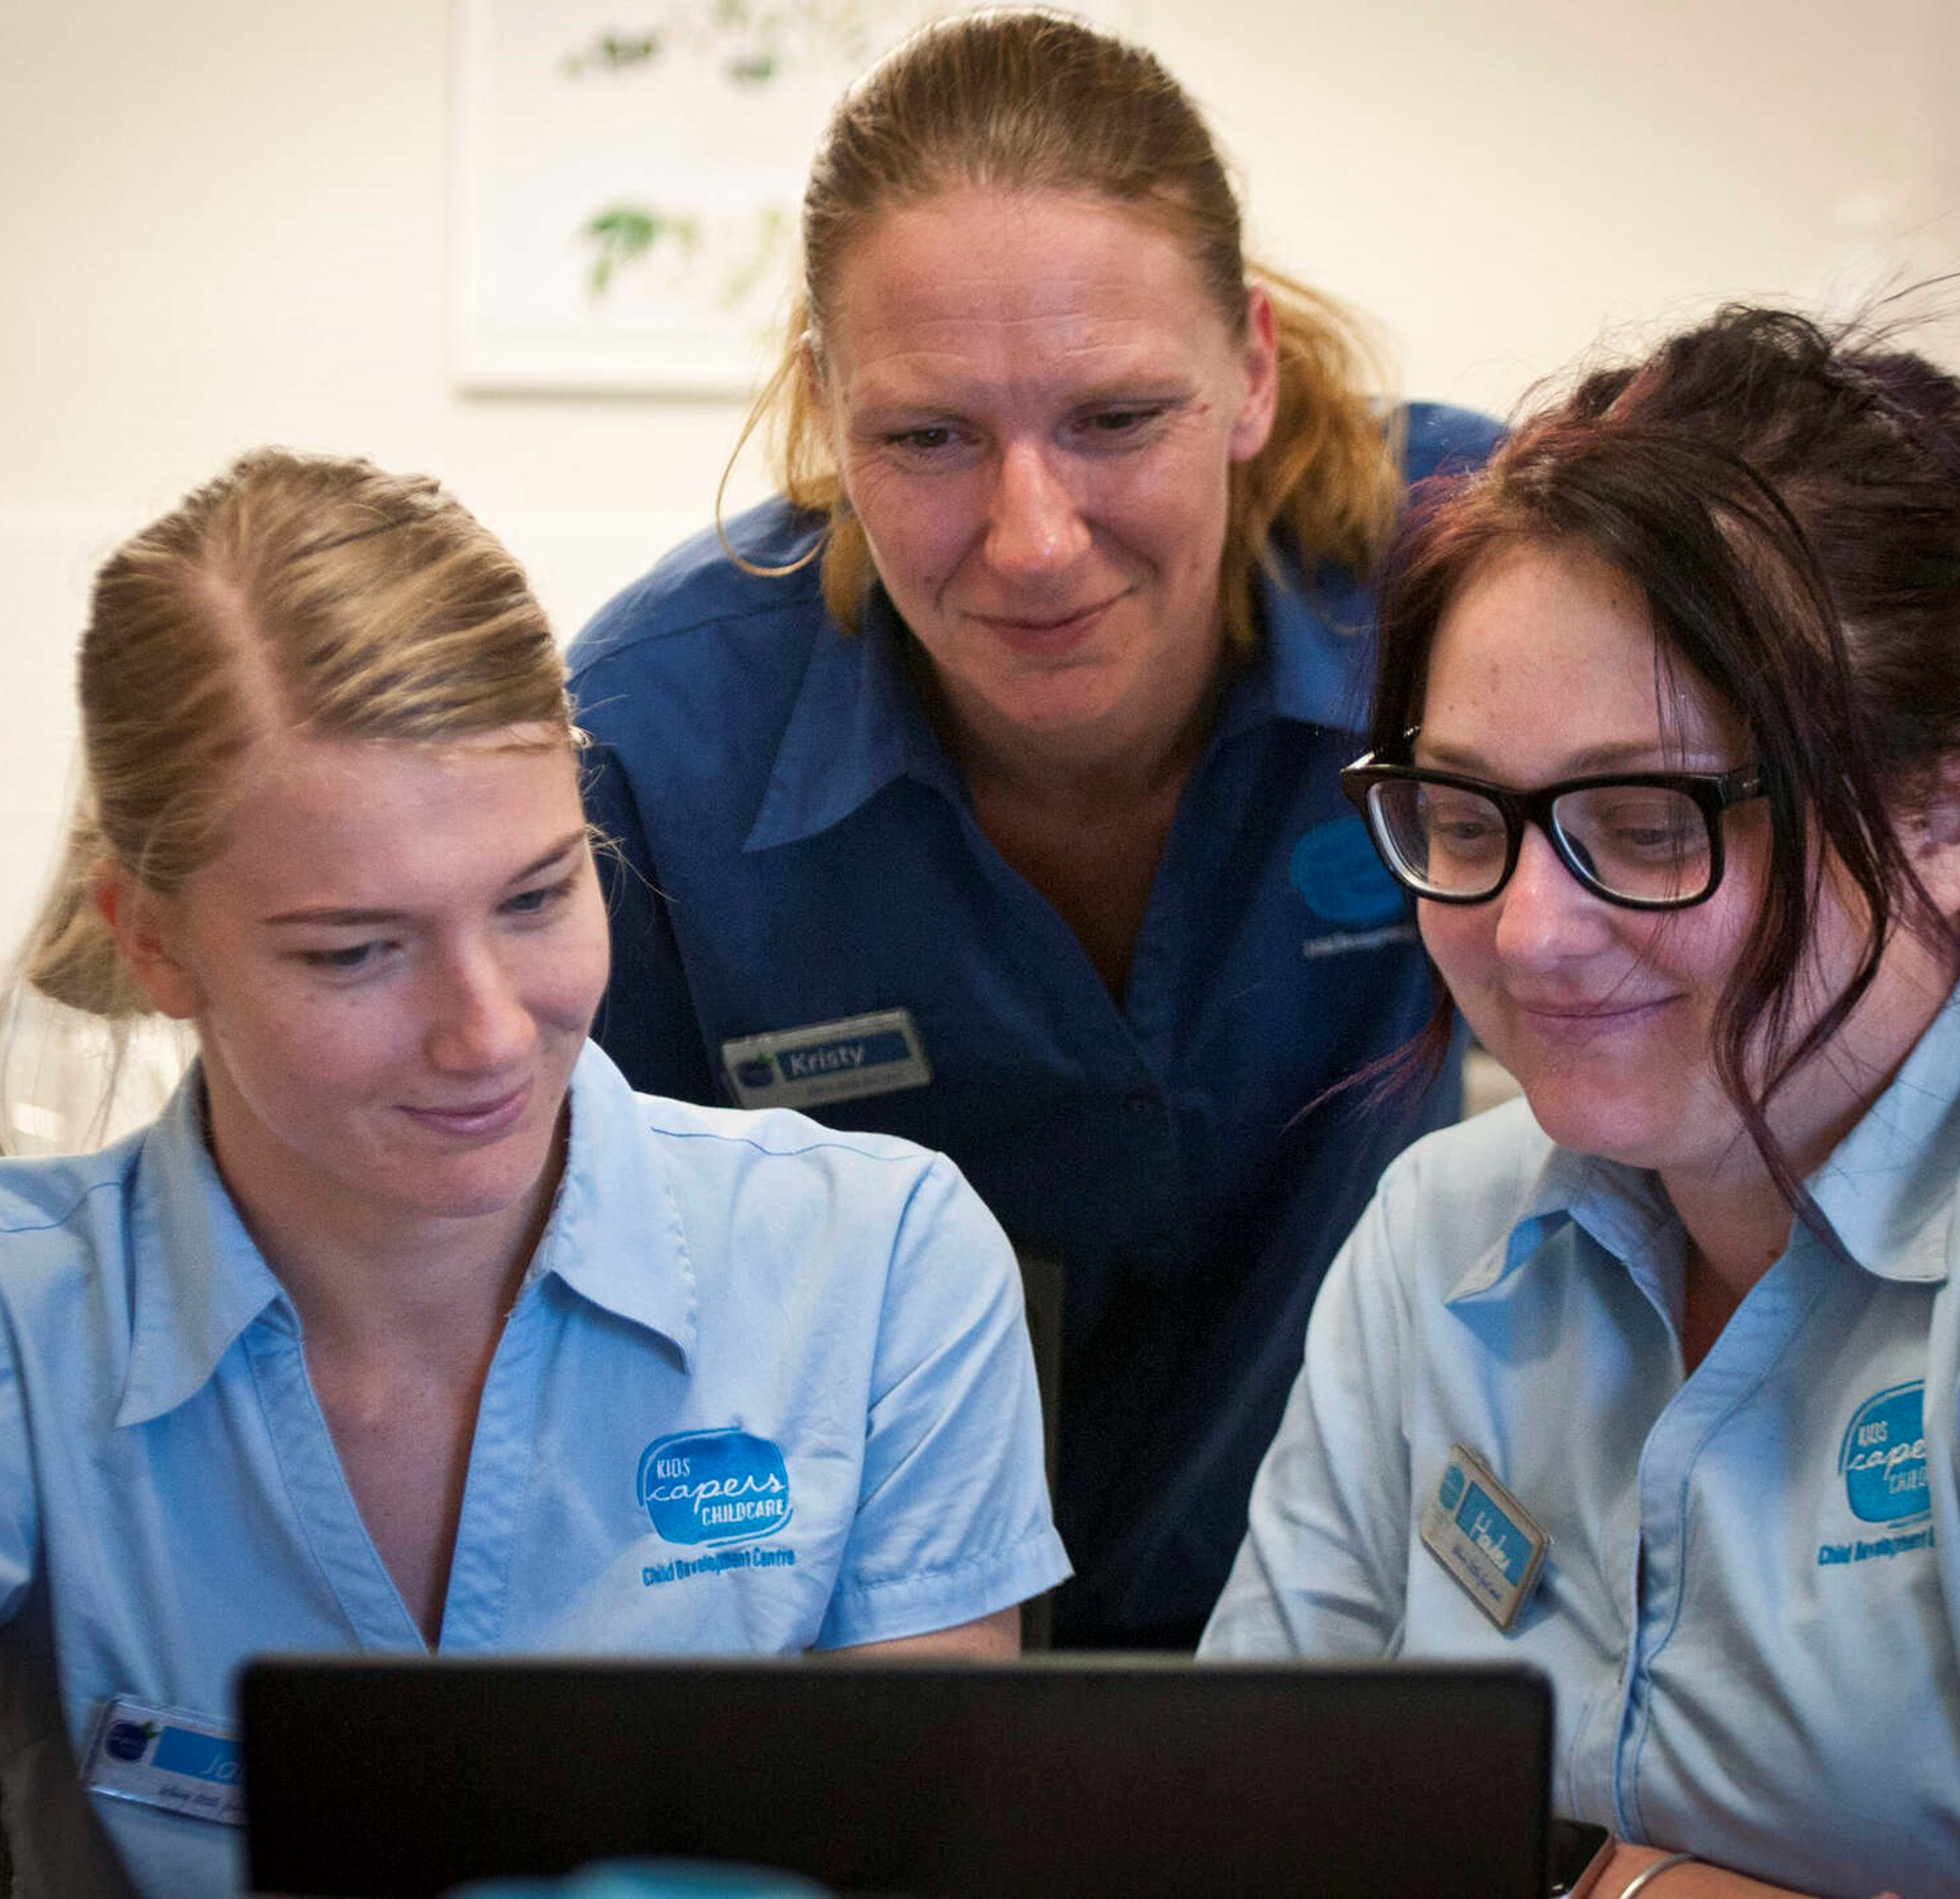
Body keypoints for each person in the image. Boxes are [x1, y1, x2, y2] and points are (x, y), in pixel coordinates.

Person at [0, 449, 1068, 1899]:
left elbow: (920, 1860)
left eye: (538, 895)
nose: (491, 1031)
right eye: (354, 951)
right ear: (152, 941)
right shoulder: (28, 1324)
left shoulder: (874, 1265)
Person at [567, 8, 1501, 1650]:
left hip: (1380, 1655)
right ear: (822, 414)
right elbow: (574, 1312)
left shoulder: (1470, 597)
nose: (1033, 539)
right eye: (926, 437)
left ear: (1252, 371)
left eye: (1115, 418)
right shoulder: (659, 750)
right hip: (858, 1684)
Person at [1201, 305, 1960, 1898]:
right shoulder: (1442, 1235)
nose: (1530, 932)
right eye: (1467, 814)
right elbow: (1243, 1830)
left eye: (1651, 820)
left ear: (1941, 807)